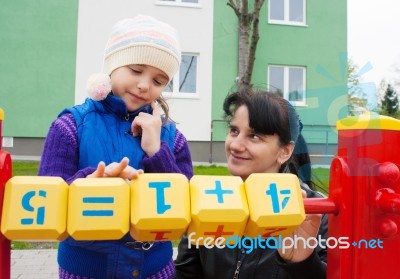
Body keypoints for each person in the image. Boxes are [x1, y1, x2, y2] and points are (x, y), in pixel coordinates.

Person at [38, 15, 193, 279]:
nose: (144, 85)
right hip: (86, 271)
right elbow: (46, 204)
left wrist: (156, 150)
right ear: (112, 65)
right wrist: (89, 181)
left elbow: (186, 208)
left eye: (158, 81)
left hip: (155, 269)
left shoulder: (171, 136)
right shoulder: (70, 126)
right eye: (135, 70)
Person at [174, 88, 327, 279]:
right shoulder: (207, 199)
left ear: (284, 152)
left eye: (254, 136)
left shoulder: (315, 213)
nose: (235, 145)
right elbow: (184, 273)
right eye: (234, 130)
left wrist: (302, 263)